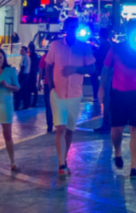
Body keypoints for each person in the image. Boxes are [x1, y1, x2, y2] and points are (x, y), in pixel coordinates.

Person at [101, 29, 136, 177]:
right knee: (116, 130)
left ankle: (134, 166)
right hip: (118, 94)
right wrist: (101, 88)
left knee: (135, 129)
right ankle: (117, 152)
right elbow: (106, 69)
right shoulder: (116, 49)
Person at [45, 18, 96, 178]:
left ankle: (64, 159)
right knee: (60, 128)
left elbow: (92, 68)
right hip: (58, 93)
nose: (73, 29)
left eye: (75, 27)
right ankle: (61, 163)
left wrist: (76, 69)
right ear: (65, 28)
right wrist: (50, 87)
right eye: (70, 26)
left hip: (75, 94)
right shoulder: (55, 45)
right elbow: (48, 65)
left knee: (69, 130)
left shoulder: (84, 47)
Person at [93, 28, 112, 132]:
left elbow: (97, 56)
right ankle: (107, 124)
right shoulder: (108, 46)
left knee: (106, 100)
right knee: (106, 101)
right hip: (108, 75)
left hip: (107, 76)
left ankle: (107, 124)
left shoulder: (105, 47)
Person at [15, 45, 32, 111]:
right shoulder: (26, 57)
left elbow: (22, 67)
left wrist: (19, 76)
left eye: (22, 50)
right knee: (25, 91)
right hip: (26, 75)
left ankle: (17, 105)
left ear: (25, 51)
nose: (20, 51)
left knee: (19, 90)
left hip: (23, 76)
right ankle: (26, 105)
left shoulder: (24, 57)